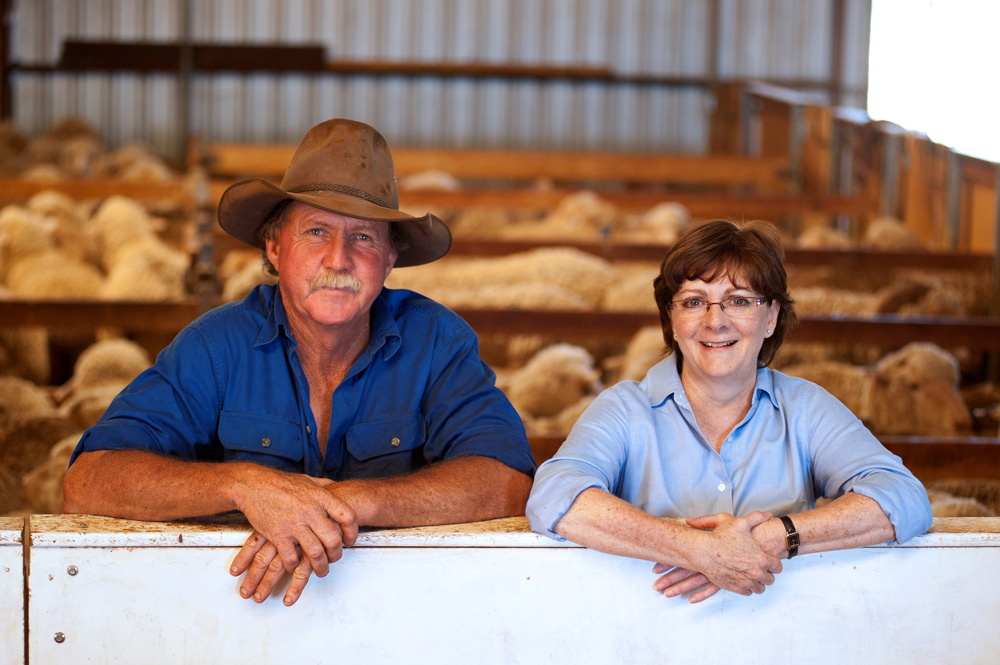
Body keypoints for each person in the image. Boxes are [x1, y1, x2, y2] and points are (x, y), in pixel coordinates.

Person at [64, 118, 536, 606]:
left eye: (364, 239)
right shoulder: (215, 347)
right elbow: (88, 482)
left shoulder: (436, 342)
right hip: (238, 617)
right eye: (316, 231)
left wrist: (343, 502)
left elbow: (507, 483)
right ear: (275, 247)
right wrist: (245, 485)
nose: (338, 259)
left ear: (389, 259)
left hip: (400, 614)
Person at [525, 219, 932, 603]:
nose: (714, 321)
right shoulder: (624, 408)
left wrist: (775, 537)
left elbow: (904, 497)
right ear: (671, 316)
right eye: (693, 302)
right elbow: (554, 494)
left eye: (738, 301)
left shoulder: (806, 408)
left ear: (771, 317)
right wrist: (696, 549)